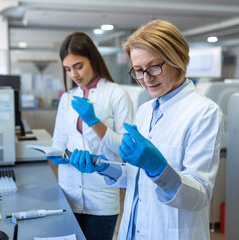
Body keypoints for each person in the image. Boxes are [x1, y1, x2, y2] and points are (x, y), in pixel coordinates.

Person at [69, 20, 224, 240]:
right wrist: (102, 167)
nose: (146, 78)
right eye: (139, 70)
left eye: (154, 67)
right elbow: (136, 176)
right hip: (133, 230)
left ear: (178, 59)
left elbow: (199, 196)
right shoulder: (145, 110)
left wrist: (159, 168)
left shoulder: (204, 112)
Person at [46, 31, 134, 240]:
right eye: (68, 69)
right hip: (68, 192)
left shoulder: (116, 94)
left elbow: (125, 148)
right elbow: (59, 140)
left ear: (93, 60)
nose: (74, 75)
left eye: (78, 66)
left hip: (102, 197)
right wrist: (56, 153)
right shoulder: (68, 98)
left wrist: (94, 122)